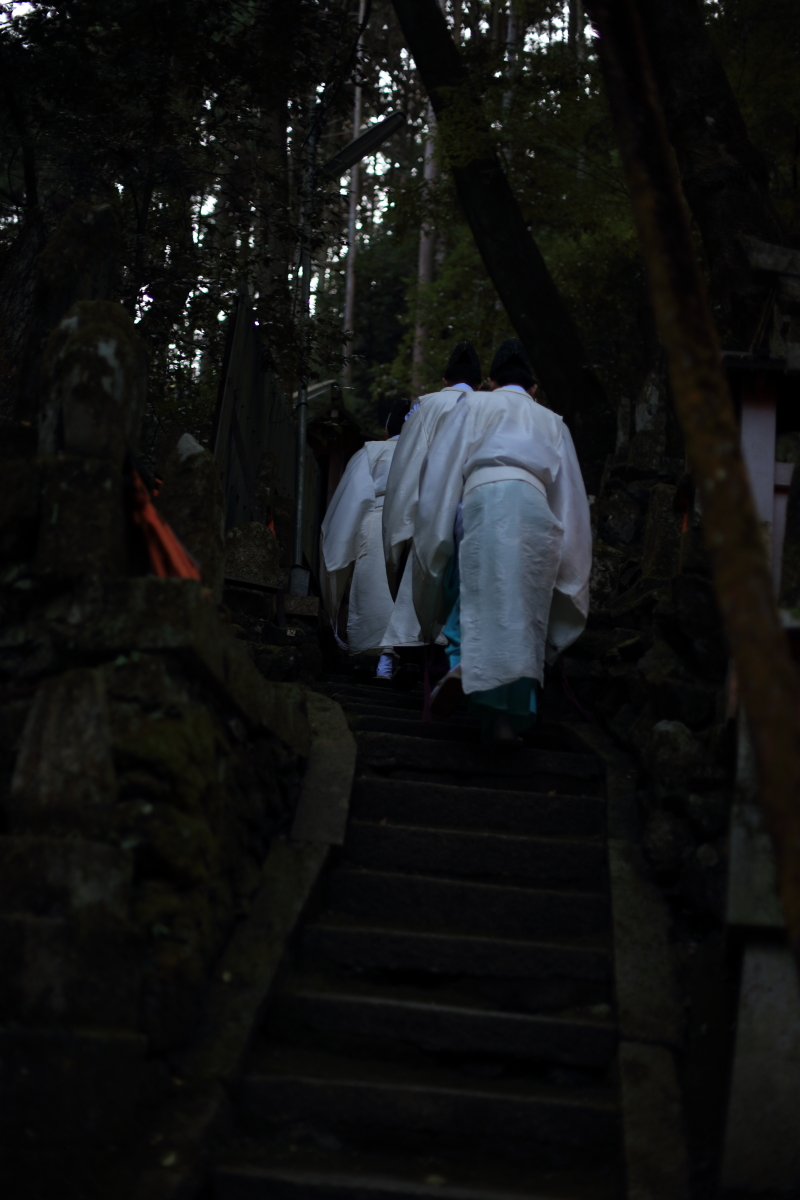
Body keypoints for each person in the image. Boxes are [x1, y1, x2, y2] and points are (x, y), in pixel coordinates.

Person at [411, 338, 592, 740]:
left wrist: (435, 533)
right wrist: (571, 561)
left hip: (481, 500)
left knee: (472, 587)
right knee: (525, 608)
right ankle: (507, 718)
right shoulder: (552, 421)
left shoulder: (471, 406)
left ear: (490, 382)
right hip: (535, 506)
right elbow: (572, 501)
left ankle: (469, 661)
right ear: (534, 389)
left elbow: (441, 474)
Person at [381, 342, 482, 645]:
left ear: (444, 380)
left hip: (431, 507)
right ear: (480, 382)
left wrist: (402, 521)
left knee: (422, 574)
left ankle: (392, 656)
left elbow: (407, 466)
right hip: (473, 509)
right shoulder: (486, 406)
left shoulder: (425, 405)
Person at [320, 400, 413, 676]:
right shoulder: (427, 452)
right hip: (418, 525)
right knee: (409, 596)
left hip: (377, 523)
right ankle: (408, 660)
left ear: (386, 432)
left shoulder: (373, 450)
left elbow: (353, 499)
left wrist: (342, 542)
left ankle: (382, 663)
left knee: (379, 591)